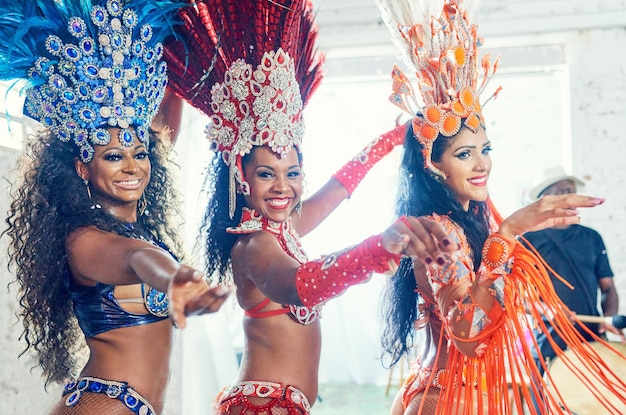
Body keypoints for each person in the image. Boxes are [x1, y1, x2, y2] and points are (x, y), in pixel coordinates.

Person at [163, 1, 460, 414]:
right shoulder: (253, 246)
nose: (283, 186)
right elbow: (302, 284)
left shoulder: (284, 231)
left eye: (293, 172)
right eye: (267, 174)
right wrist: (382, 246)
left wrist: (388, 142)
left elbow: (336, 191)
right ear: (241, 179)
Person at [376, 0, 626, 414]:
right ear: (433, 164)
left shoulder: (469, 221)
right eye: (464, 154)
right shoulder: (439, 231)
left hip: (484, 397)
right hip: (451, 401)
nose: (482, 164)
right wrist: (509, 232)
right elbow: (469, 335)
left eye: (485, 149)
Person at [1, 1, 231, 414]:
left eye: (140, 154)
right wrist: (176, 278)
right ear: (82, 168)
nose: (131, 167)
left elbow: (143, 248)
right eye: (112, 157)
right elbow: (140, 260)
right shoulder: (86, 241)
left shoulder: (137, 229)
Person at [526, 166, 625, 371]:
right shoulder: (527, 241)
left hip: (591, 341)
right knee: (548, 402)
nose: (570, 196)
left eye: (571, 190)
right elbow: (519, 299)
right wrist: (549, 310)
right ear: (545, 198)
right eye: (562, 191)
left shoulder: (592, 237)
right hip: (549, 344)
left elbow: (608, 288)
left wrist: (608, 317)